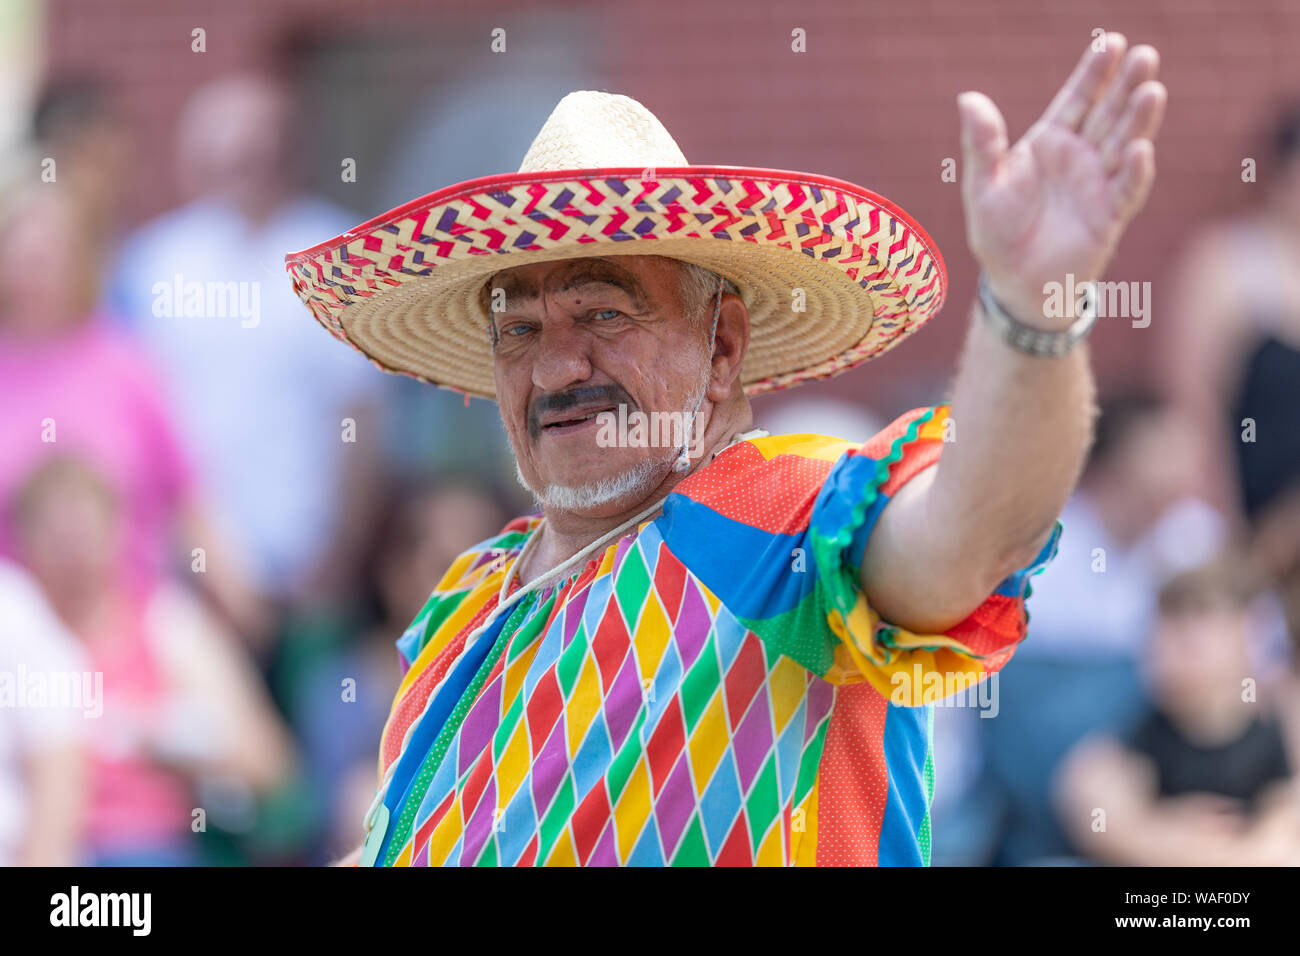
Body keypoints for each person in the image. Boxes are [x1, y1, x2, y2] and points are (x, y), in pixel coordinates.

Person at [285, 35, 1167, 866]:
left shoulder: (779, 514)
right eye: (518, 329)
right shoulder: (468, 594)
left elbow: (971, 540)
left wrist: (1032, 310)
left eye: (604, 313)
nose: (555, 365)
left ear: (723, 348)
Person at [108, 72, 384, 634]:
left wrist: (340, 552)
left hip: (305, 570)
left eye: (257, 148)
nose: (243, 166)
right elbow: (127, 417)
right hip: (178, 573)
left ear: (288, 151)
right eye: (225, 151)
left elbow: (361, 416)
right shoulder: (152, 262)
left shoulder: (340, 254)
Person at [9, 455, 298, 866]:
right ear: (26, 542)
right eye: (58, 540)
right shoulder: (17, 635)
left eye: (83, 535)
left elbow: (268, 762)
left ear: (116, 531)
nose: (74, 557)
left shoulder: (169, 626)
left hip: (145, 848)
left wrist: (173, 739)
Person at [1056, 557, 1300, 865]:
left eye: (1189, 643)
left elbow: (1283, 844)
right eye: (1160, 640)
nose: (1167, 659)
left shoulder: (1283, 727)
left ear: (1248, 635)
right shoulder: (1136, 735)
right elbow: (1099, 813)